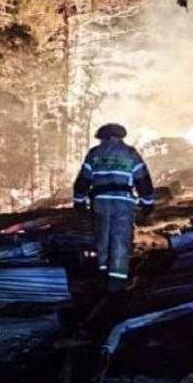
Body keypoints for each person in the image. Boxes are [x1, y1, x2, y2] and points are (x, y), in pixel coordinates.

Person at [72, 123, 154, 292]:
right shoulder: (130, 153)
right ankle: (116, 287)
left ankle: (102, 278)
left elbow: (82, 181)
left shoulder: (94, 154)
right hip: (123, 203)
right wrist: (147, 204)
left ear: (103, 137)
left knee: (102, 240)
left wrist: (79, 201)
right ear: (120, 136)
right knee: (120, 242)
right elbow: (143, 180)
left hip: (100, 203)